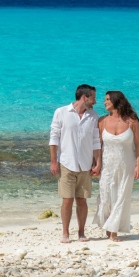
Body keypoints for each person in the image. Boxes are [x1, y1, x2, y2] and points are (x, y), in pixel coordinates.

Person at [49, 84, 101, 244]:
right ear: (84, 97)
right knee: (67, 200)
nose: (95, 101)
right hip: (66, 162)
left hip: (85, 164)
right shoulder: (61, 112)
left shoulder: (93, 116)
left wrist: (97, 163)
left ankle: (81, 232)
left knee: (82, 200)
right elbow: (54, 137)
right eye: (93, 97)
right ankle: (65, 233)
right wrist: (53, 161)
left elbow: (96, 141)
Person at [92, 90, 139, 242]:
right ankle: (109, 227)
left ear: (116, 101)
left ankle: (113, 232)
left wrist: (138, 165)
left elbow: (138, 145)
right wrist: (97, 164)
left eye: (107, 99)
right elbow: (98, 146)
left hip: (126, 165)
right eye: (104, 99)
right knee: (106, 196)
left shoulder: (132, 121)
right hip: (108, 165)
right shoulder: (102, 121)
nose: (104, 102)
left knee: (121, 196)